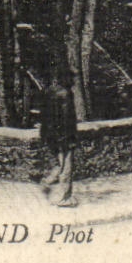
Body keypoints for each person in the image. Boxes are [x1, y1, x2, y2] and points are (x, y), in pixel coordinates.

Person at [39, 77, 79, 208]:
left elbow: (43, 116)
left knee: (58, 163)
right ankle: (64, 197)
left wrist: (44, 134)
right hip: (64, 136)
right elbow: (67, 118)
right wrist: (70, 137)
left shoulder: (48, 91)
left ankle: (47, 182)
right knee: (66, 165)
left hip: (51, 135)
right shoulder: (66, 94)